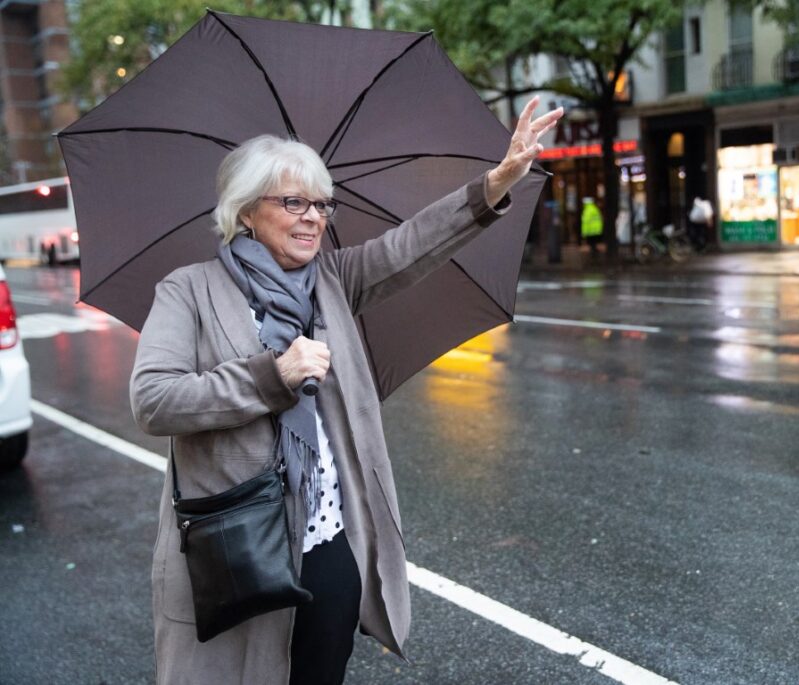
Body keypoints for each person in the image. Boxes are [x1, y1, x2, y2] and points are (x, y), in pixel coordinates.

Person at [130, 96, 562, 685]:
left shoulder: (332, 280)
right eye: (293, 202)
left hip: (327, 542)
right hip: (239, 548)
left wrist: (496, 181)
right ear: (246, 211)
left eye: (321, 204)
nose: (312, 217)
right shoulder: (188, 291)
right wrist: (271, 375)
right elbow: (154, 399)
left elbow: (411, 245)